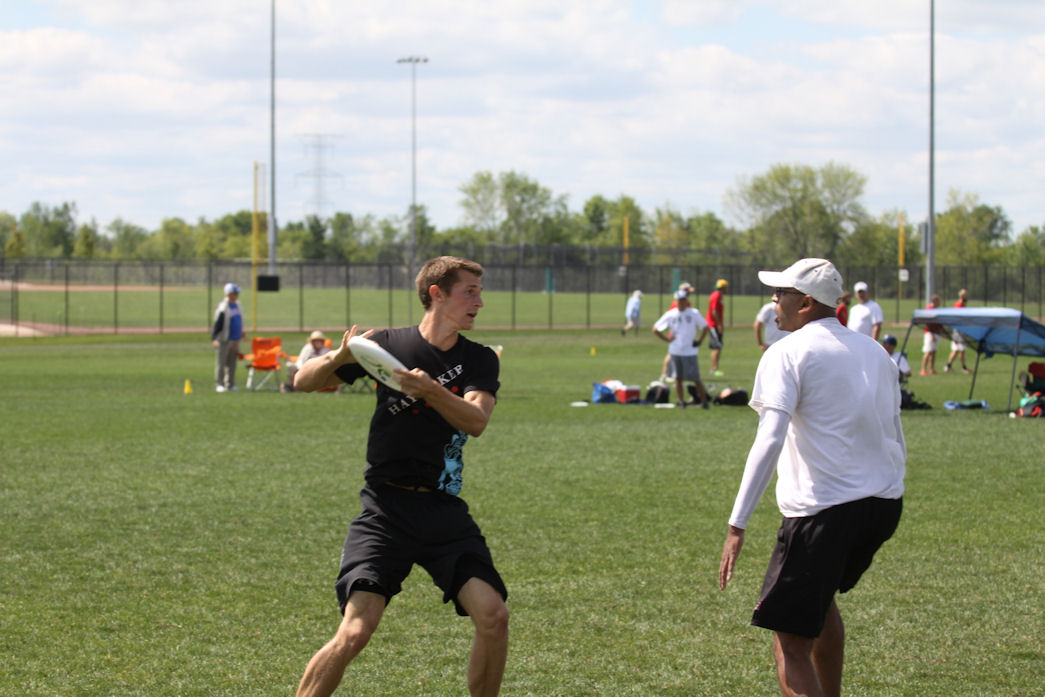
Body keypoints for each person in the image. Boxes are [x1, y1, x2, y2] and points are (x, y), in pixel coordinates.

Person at [292, 257, 509, 697]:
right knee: (356, 630)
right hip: (385, 510)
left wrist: (431, 390)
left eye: (480, 293)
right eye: (470, 292)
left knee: (494, 615)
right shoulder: (386, 346)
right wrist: (340, 355)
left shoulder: (479, 358)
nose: (479, 302)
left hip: (443, 512)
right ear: (437, 294)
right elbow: (303, 381)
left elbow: (476, 421)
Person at [718, 258, 905, 697]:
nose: (773, 300)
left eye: (780, 293)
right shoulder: (875, 352)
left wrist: (737, 524)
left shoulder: (787, 352)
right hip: (882, 506)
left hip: (824, 512)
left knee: (789, 645)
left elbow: (769, 439)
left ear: (804, 303)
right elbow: (894, 431)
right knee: (820, 603)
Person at [653, 290, 710, 409]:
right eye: (679, 300)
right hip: (675, 351)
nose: (681, 302)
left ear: (686, 300)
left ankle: (704, 402)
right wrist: (667, 339)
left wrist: (699, 341)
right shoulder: (670, 314)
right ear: (676, 301)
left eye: (683, 300)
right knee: (678, 378)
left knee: (696, 378)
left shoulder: (693, 313)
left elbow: (705, 327)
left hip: (690, 351)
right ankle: (681, 402)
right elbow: (655, 328)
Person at [211, 282, 244, 392]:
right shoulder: (223, 306)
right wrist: (214, 338)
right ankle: (219, 384)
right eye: (235, 293)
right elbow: (218, 324)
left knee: (232, 363)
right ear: (228, 294)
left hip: (235, 339)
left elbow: (239, 321)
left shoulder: (237, 305)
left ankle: (230, 384)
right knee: (221, 363)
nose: (237, 295)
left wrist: (242, 333)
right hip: (225, 339)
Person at [944, 289, 972, 374]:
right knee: (961, 349)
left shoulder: (963, 305)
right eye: (966, 295)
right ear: (962, 296)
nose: (967, 297)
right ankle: (964, 368)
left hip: (961, 329)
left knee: (956, 350)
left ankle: (948, 366)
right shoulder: (958, 305)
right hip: (959, 330)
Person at [707, 279, 728, 377]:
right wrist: (719, 325)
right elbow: (714, 311)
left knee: (718, 346)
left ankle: (715, 368)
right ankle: (714, 368)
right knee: (717, 346)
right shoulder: (716, 296)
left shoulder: (719, 295)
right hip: (713, 324)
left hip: (715, 324)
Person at [920, 294, 943, 376]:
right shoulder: (929, 309)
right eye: (938, 301)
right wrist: (932, 334)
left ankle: (931, 369)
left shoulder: (937, 309)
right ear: (934, 301)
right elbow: (927, 324)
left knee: (933, 352)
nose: (939, 303)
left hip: (936, 333)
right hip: (930, 333)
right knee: (928, 351)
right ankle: (923, 369)